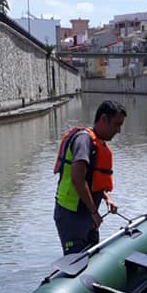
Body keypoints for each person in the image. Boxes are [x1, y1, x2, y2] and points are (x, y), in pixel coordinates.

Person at [53, 100, 127, 255]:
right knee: (76, 261)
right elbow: (77, 179)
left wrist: (107, 199)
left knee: (92, 256)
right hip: (71, 215)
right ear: (104, 119)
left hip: (87, 213)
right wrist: (94, 212)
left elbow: (92, 179)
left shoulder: (99, 144)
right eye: (117, 124)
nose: (119, 130)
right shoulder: (84, 141)